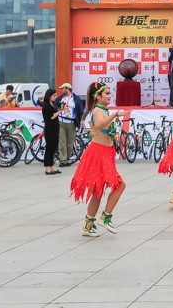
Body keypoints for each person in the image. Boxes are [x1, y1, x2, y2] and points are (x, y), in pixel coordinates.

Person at [70, 83, 130, 237]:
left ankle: (88, 225)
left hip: (105, 153)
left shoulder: (103, 110)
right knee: (120, 185)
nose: (110, 96)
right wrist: (115, 115)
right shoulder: (97, 110)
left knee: (98, 190)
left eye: (110, 93)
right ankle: (105, 217)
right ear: (97, 96)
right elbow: (99, 124)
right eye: (107, 93)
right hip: (98, 153)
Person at [54, 83, 83, 167]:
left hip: (71, 123)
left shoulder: (75, 99)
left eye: (63, 89)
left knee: (70, 142)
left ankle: (67, 159)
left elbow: (81, 109)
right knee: (62, 142)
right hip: (61, 121)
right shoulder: (60, 98)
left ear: (67, 89)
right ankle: (63, 160)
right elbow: (54, 106)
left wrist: (80, 119)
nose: (61, 90)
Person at [41, 89, 62, 175]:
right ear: (49, 96)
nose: (55, 97)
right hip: (49, 128)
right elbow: (52, 117)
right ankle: (47, 167)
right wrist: (60, 111)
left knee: (53, 147)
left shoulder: (52, 104)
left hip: (55, 127)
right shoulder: (46, 105)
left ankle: (51, 166)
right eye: (54, 95)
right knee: (49, 148)